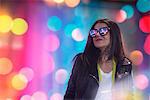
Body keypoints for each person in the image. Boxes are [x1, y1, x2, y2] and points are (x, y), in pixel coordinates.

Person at [64, 19, 133, 100]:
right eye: (94, 32)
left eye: (103, 31)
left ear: (114, 34)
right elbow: (70, 94)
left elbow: (129, 95)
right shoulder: (82, 61)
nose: (97, 35)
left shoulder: (124, 64)